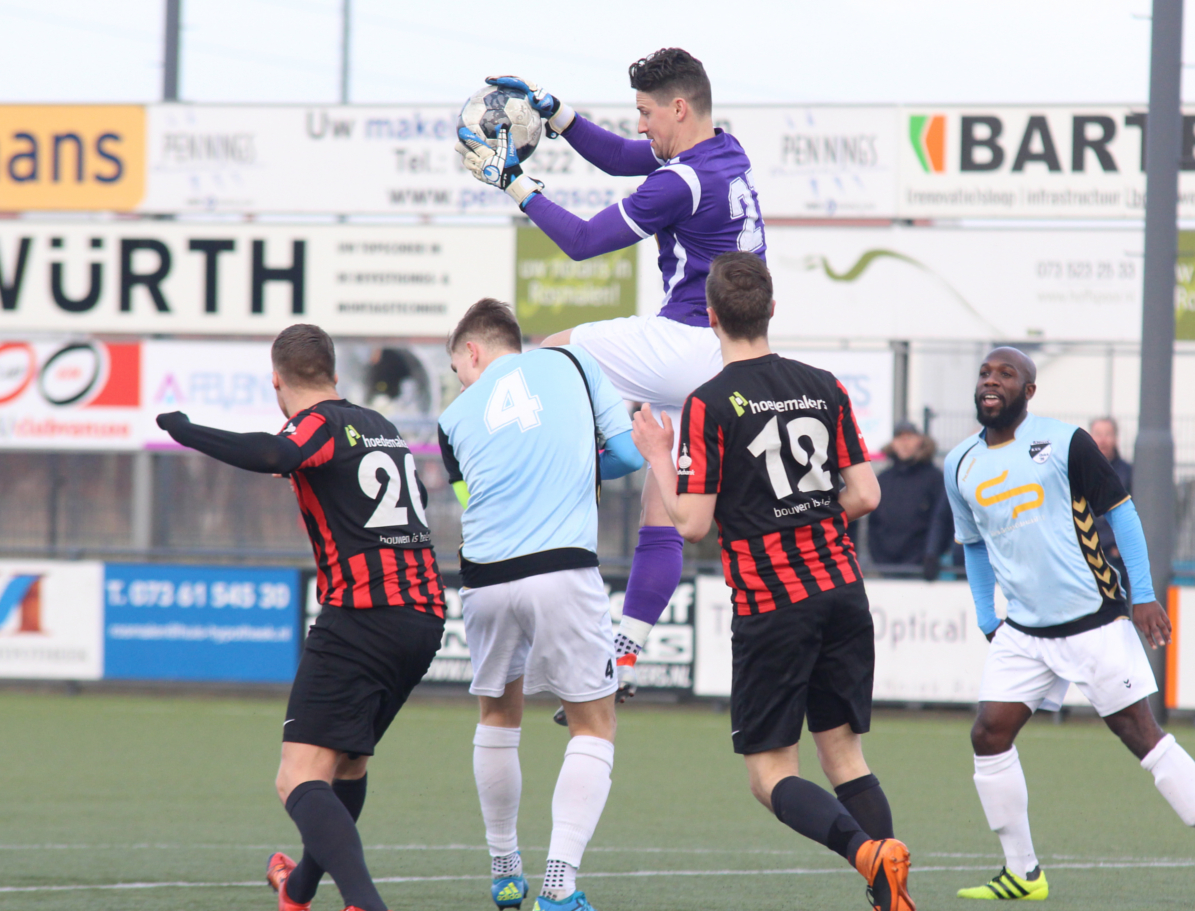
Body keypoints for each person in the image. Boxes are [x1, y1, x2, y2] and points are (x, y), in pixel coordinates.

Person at [459, 47, 764, 695]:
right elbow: (628, 158)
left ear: (678, 108)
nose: (642, 126)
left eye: (647, 113)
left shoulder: (681, 181)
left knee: (544, 358)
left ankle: (536, 490)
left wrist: (513, 182)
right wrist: (559, 114)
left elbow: (581, 242)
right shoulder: (723, 150)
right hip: (727, 355)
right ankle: (624, 652)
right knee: (665, 503)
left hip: (685, 343)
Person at [631, 252, 915, 911]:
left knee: (768, 774)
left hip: (775, 601)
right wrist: (807, 517)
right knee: (845, 757)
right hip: (843, 591)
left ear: (710, 318)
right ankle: (891, 896)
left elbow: (694, 523)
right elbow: (865, 493)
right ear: (772, 309)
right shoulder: (823, 383)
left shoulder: (708, 403)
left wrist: (656, 457)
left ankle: (868, 855)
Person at [943, 348, 1195, 907]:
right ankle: (1023, 873)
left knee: (1141, 736)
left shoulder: (1066, 442)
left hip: (1093, 621)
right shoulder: (959, 463)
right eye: (986, 374)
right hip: (1024, 632)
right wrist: (988, 616)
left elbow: (1123, 513)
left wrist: (1143, 596)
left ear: (1029, 391)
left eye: (1005, 374)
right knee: (989, 735)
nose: (991, 381)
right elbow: (972, 546)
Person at [156, 324, 446, 911]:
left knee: (296, 777)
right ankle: (299, 891)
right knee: (346, 764)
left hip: (363, 614)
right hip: (424, 617)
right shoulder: (384, 428)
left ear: (277, 382)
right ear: (336, 375)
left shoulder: (319, 424)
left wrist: (188, 432)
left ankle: (365, 903)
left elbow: (277, 454)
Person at [437, 299, 644, 911]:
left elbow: (470, 494)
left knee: (497, 716)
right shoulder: (575, 364)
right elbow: (630, 455)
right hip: (560, 567)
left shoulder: (451, 420)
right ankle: (559, 885)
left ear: (472, 352)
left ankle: (505, 868)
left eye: (457, 367)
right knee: (594, 723)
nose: (460, 379)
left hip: (483, 576)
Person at [866, 420, 948, 579]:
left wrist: (932, 555)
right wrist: (877, 559)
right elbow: (873, 523)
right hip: (885, 567)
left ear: (919, 441)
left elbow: (942, 520)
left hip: (922, 568)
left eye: (909, 437)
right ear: (893, 444)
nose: (904, 443)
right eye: (899, 438)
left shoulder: (934, 478)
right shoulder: (883, 479)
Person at [1089, 416, 1132, 591]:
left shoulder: (1129, 473)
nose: (1102, 440)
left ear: (1116, 438)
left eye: (1108, 434)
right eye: (1098, 434)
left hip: (1115, 558)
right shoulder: (1079, 471)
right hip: (1086, 555)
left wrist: (1118, 547)